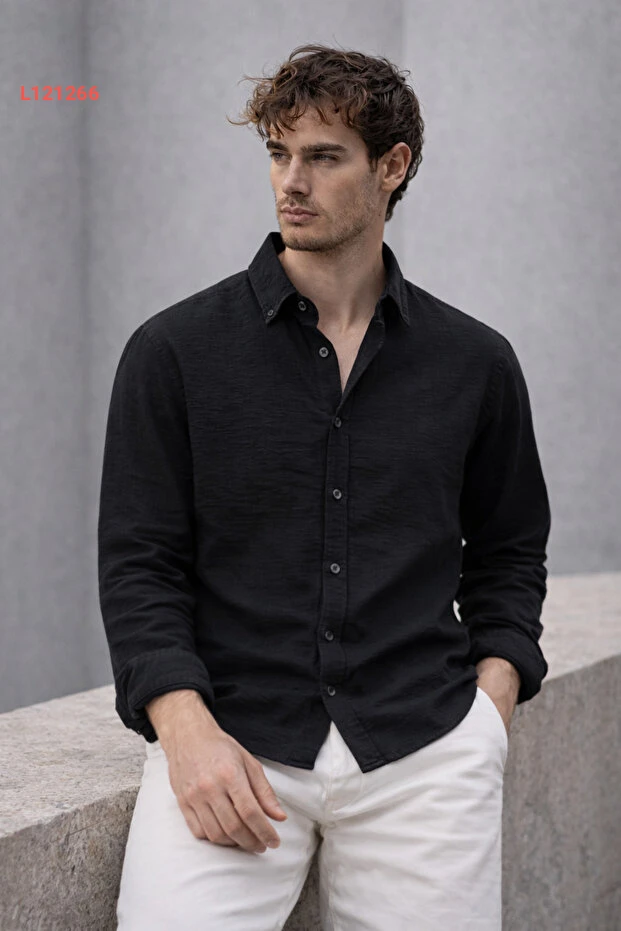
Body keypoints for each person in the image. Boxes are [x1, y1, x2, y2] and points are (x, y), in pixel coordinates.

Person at [98, 43, 551, 931]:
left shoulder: (474, 363)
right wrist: (184, 732)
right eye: (278, 153)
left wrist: (489, 710)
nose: (290, 182)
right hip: (230, 747)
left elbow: (509, 551)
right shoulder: (174, 352)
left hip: (425, 756)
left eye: (322, 156)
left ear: (392, 167)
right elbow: (139, 564)